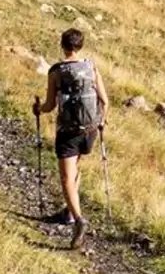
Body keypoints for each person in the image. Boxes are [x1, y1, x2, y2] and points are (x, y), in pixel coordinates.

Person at [33, 27, 109, 249]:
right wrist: (102, 121)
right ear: (80, 45)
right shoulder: (91, 67)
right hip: (90, 130)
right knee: (75, 168)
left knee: (66, 178)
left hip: (68, 132)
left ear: (62, 45)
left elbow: (49, 105)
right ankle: (69, 211)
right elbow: (104, 100)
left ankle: (78, 220)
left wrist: (38, 108)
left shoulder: (56, 71)